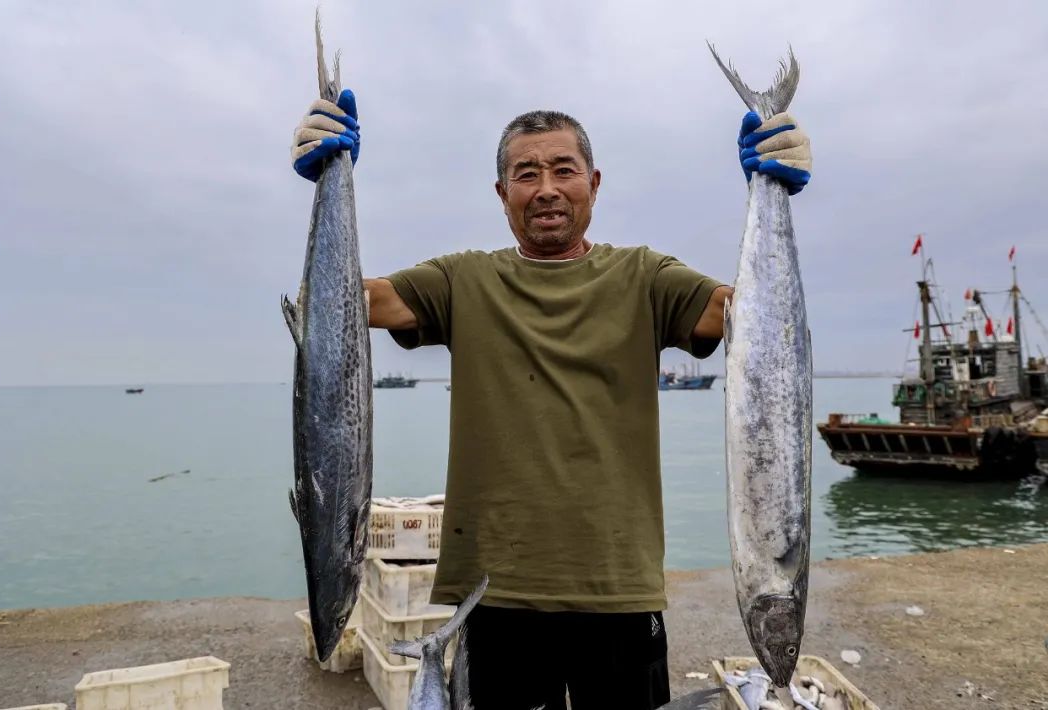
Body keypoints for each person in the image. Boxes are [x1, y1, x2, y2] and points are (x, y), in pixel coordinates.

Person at [290, 90, 811, 710]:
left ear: (593, 182)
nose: (546, 189)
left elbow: (753, 322)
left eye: (564, 170)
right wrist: (328, 180)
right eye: (526, 174)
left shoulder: (646, 277)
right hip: (493, 595)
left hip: (619, 591)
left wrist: (772, 191)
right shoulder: (461, 280)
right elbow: (340, 306)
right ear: (501, 192)